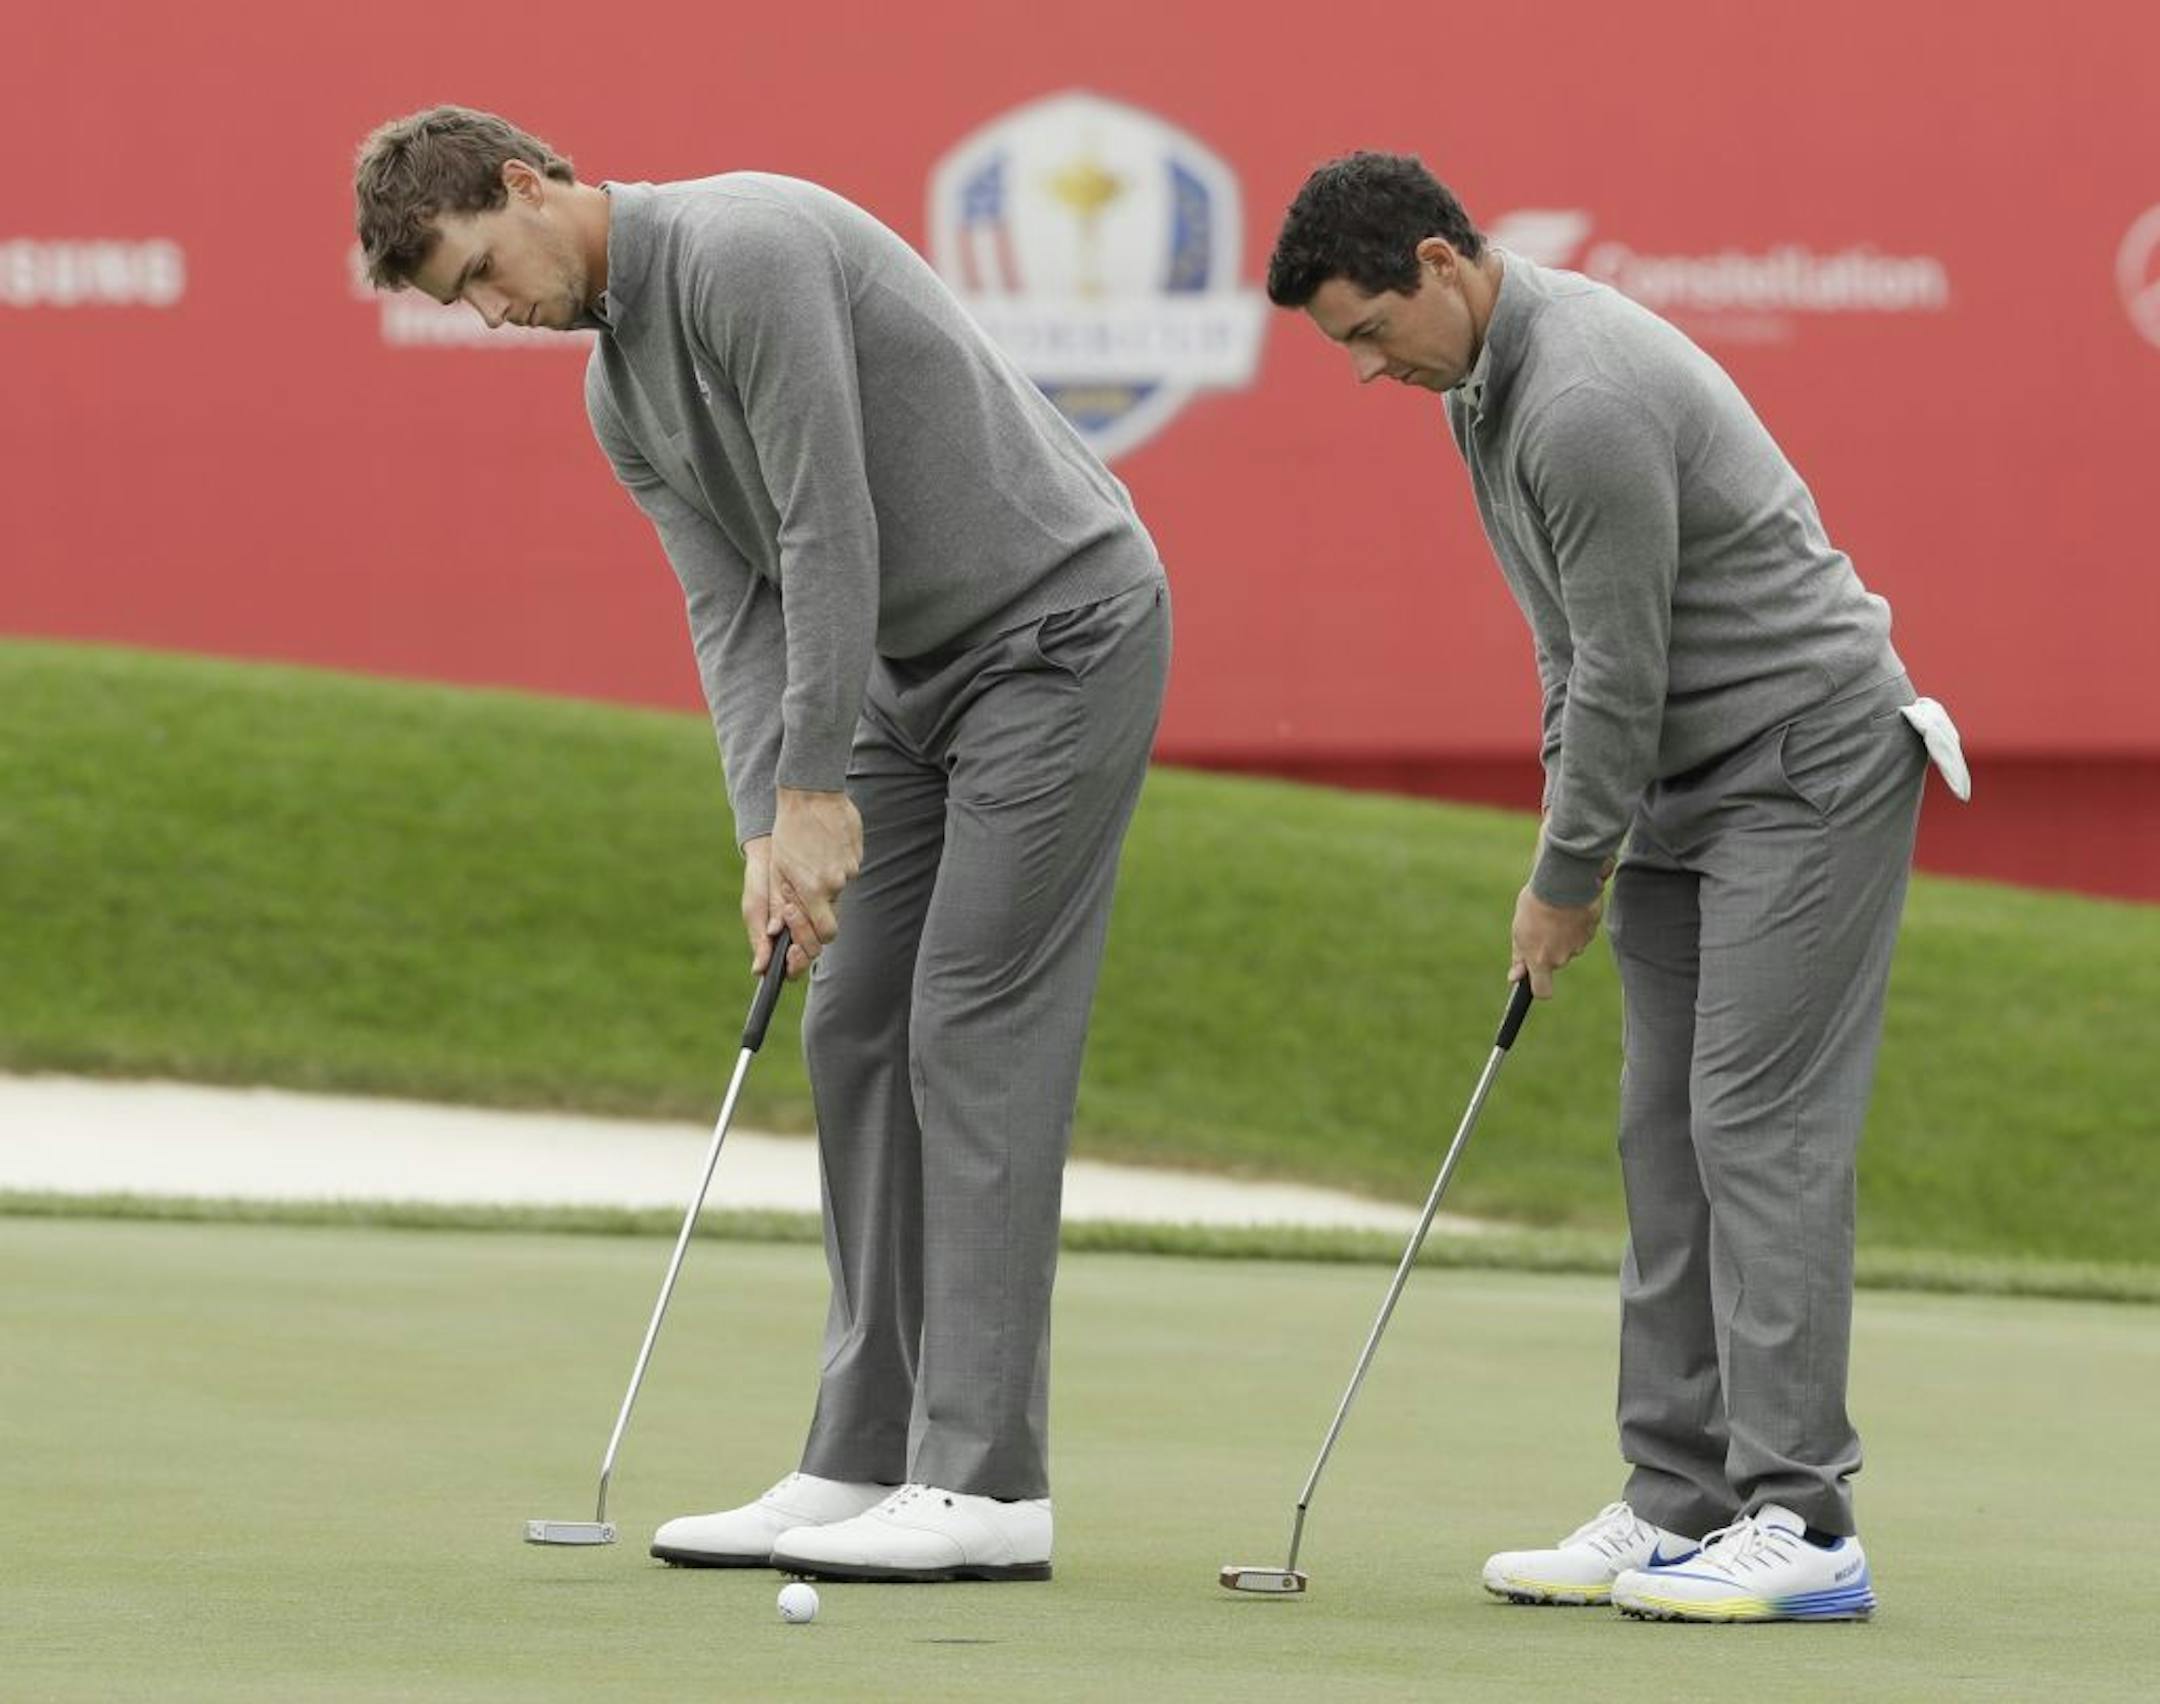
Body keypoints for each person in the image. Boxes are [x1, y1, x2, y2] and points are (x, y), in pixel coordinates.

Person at [354, 106, 1170, 1584]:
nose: (491, 314)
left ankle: (987, 1486)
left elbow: (825, 521)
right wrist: (763, 826)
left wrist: (817, 786)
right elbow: (735, 612)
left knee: (972, 1023)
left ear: (529, 185)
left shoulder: (745, 244)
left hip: (1061, 635)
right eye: (458, 304)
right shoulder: (618, 393)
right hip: (913, 681)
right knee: (853, 1022)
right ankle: (859, 1456)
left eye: (480, 270)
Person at [1265, 152, 1965, 1623]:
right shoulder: (1477, 391)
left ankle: (1805, 1518)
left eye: (1368, 332)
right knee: (1664, 1135)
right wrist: (1570, 839)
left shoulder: (1577, 399)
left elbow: (1625, 671)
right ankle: (1675, 1499)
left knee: (1755, 1128)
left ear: (1443, 264)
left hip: (1808, 762)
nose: (1365, 368)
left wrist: (1564, 876)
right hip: (1682, 783)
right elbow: (1567, 650)